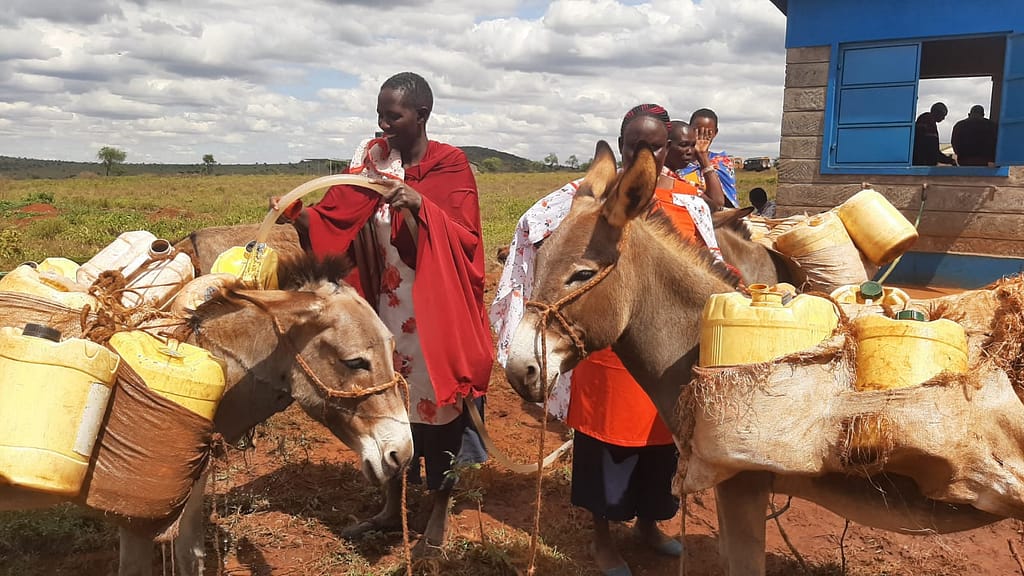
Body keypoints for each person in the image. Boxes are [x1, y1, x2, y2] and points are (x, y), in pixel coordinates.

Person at [492, 104, 723, 576]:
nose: (650, 154)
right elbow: (531, 237)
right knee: (605, 448)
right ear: (621, 148)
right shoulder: (578, 200)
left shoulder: (689, 200)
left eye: (657, 146)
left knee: (661, 448)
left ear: (668, 147)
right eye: (637, 146)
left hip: (665, 355)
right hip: (604, 347)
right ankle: (602, 538)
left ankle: (649, 526)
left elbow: (708, 261)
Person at [273, 72, 492, 551]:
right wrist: (296, 214)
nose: (383, 123)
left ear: (421, 116)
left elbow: (467, 238)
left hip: (436, 311)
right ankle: (393, 508)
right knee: (388, 402)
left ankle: (438, 509)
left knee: (439, 406)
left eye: (393, 114)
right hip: (383, 309)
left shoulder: (449, 165)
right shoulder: (374, 161)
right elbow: (336, 218)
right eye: (379, 112)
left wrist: (419, 207)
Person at [676, 108, 738, 209]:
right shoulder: (677, 161)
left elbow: (720, 204)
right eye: (698, 131)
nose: (701, 137)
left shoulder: (722, 163)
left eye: (707, 133)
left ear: (715, 133)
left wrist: (703, 156)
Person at [666, 120, 725, 211]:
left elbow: (717, 204)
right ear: (667, 146)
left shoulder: (677, 178)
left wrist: (702, 155)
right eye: (683, 145)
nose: (690, 151)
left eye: (693, 145)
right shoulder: (664, 179)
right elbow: (716, 206)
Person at [913, 102, 957, 166]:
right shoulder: (928, 122)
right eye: (943, 115)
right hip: (923, 163)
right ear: (937, 112)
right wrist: (948, 160)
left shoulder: (924, 120)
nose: (943, 118)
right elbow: (932, 150)